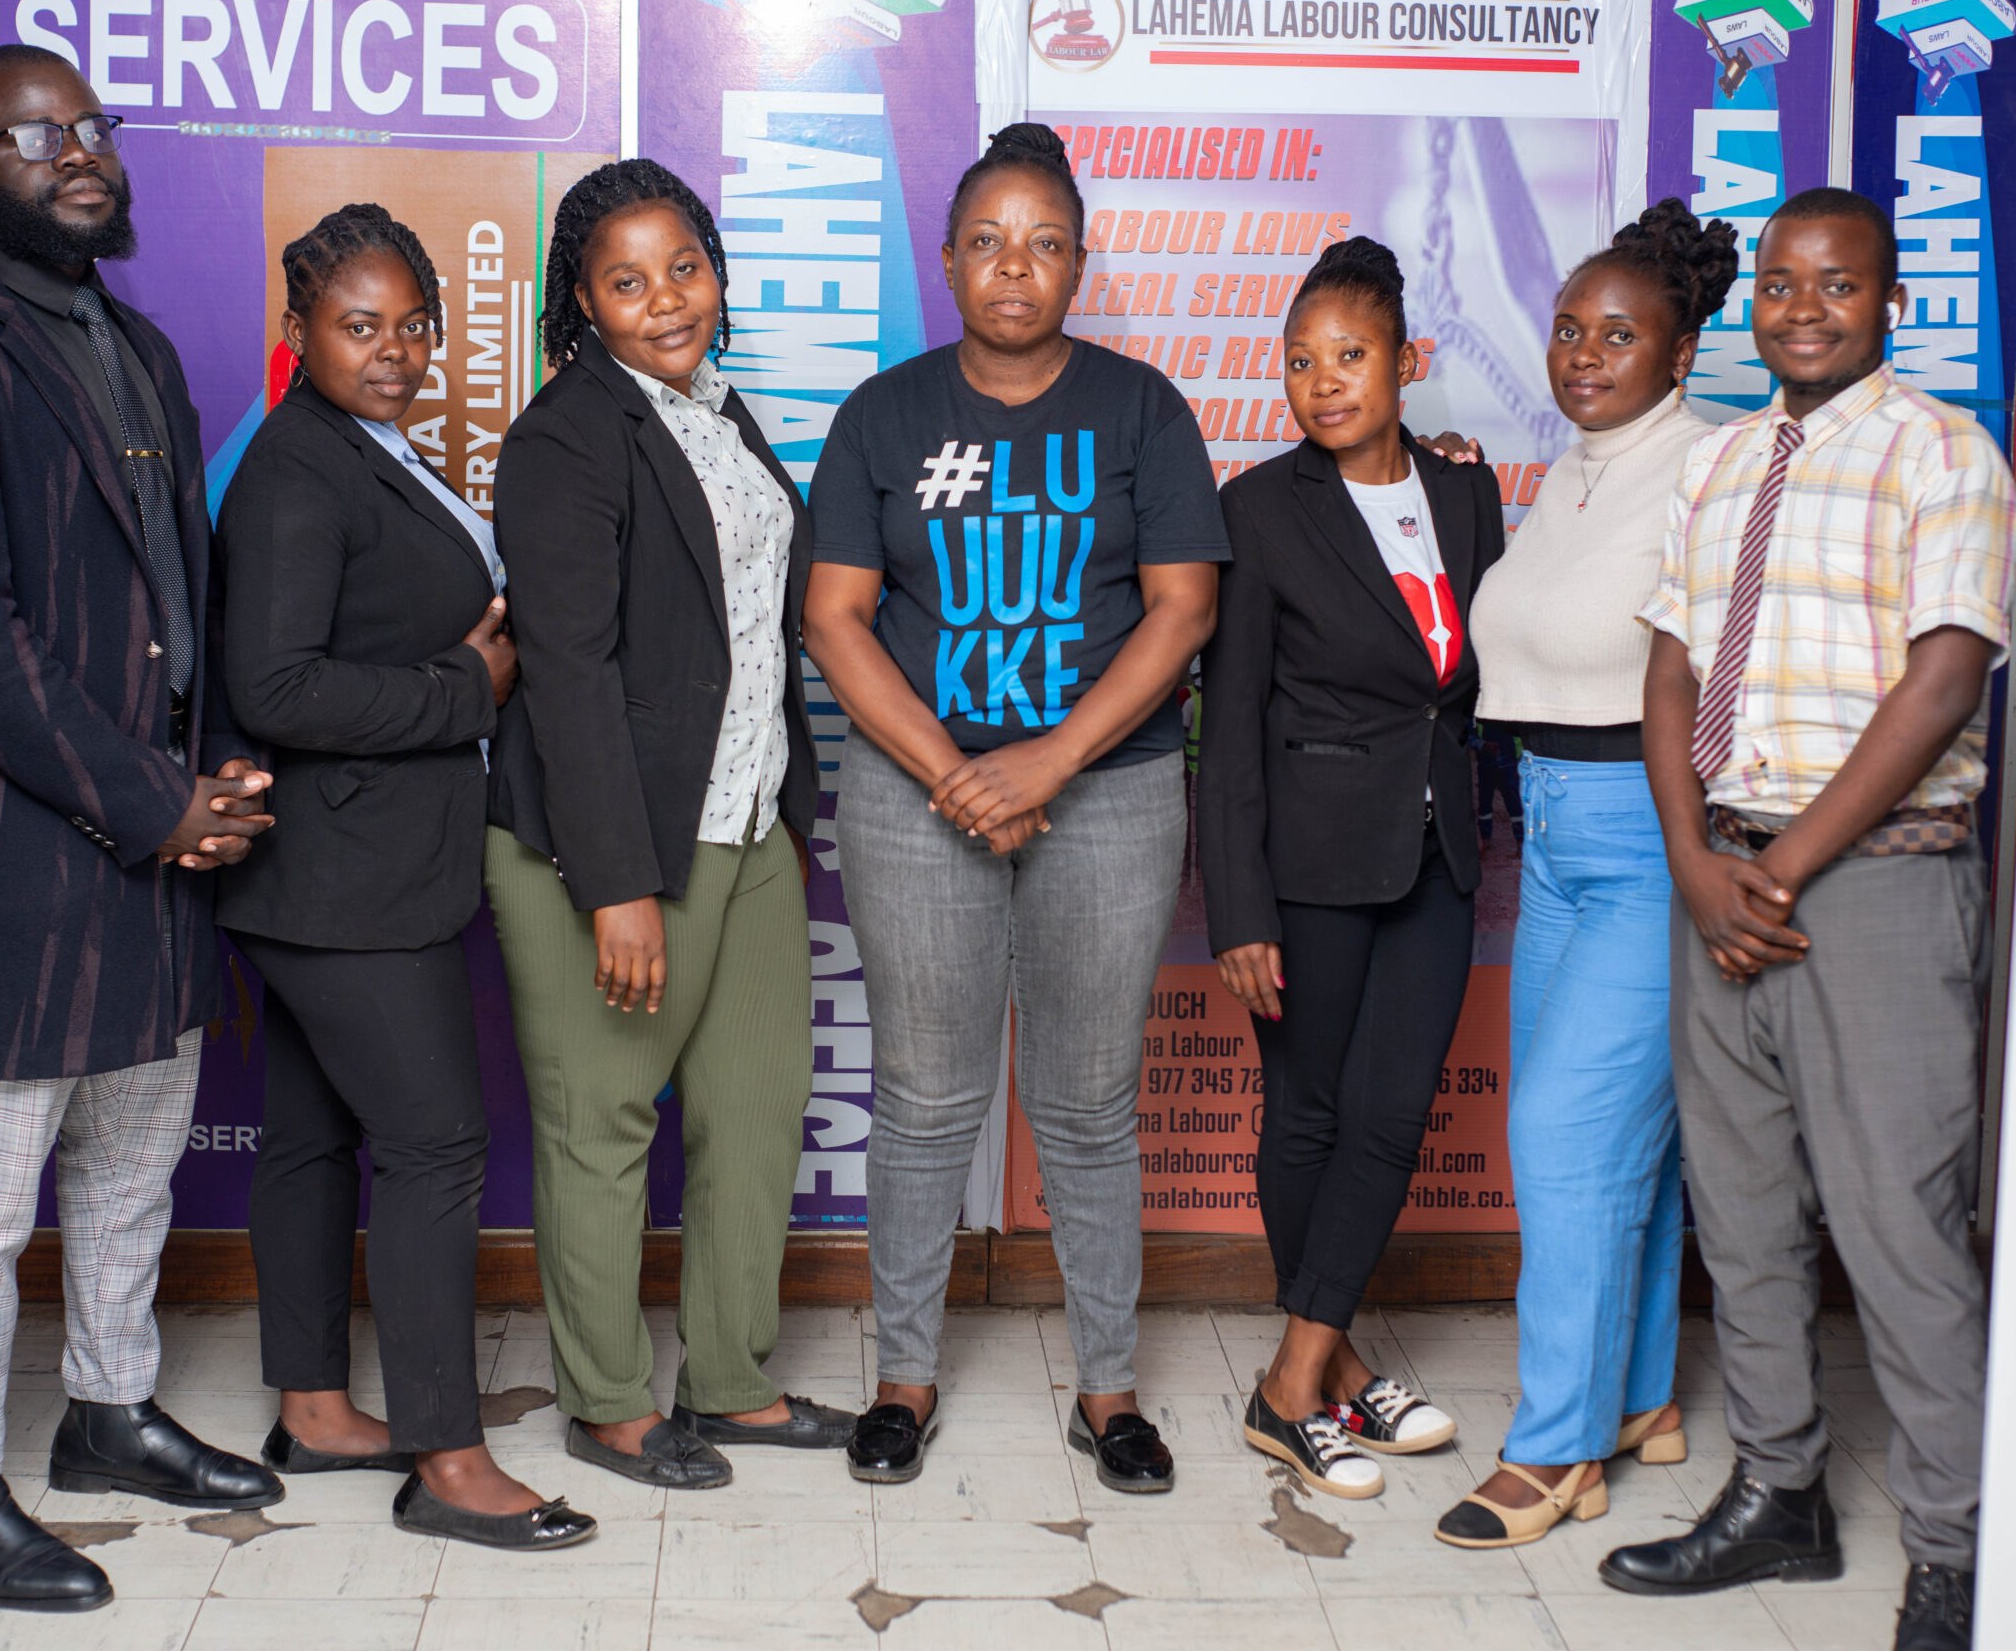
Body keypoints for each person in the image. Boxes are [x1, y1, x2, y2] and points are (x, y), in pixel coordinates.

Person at [0, 44, 284, 1611]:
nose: (76, 151)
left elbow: (189, 593)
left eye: (89, 124)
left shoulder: (138, 347)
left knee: (133, 1159)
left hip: (160, 841)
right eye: (32, 137)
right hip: (21, 851)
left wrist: (216, 776)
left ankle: (107, 1411)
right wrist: (159, 803)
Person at [1608, 187, 2016, 1651]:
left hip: (1872, 886)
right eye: (1779, 283)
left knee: (1900, 1228)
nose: (1801, 308)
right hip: (1719, 872)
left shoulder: (1944, 454)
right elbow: (1670, 675)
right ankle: (1780, 1495)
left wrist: (1778, 868)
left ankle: (1959, 1557)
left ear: (1889, 301)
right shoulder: (1718, 464)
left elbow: (1945, 678)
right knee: (1743, 1212)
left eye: (1836, 285)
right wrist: (1695, 864)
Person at [804, 123, 1225, 1493]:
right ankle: (903, 1378)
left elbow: (1183, 608)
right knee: (926, 1099)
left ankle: (1109, 1390)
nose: (1013, 266)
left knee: (1090, 1104)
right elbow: (835, 616)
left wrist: (1046, 763)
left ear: (1078, 266)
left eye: (1044, 243)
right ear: (946, 260)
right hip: (912, 796)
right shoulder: (883, 414)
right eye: (987, 241)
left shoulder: (1141, 409)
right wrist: (954, 774)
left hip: (1108, 793)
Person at [213, 205, 592, 1551]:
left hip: (339, 868)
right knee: (435, 1146)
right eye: (358, 325)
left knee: (314, 1133)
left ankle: (315, 1409)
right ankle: (447, 1459)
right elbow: (273, 687)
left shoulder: (359, 449)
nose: (393, 350)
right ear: (298, 331)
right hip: (349, 880)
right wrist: (461, 689)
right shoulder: (296, 475)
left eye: (413, 325)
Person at [485, 160, 851, 1491]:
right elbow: (568, 671)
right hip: (612, 843)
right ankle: (606, 1402)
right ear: (581, 303)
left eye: (684, 267)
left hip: (746, 825)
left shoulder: (716, 412)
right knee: (604, 1121)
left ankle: (734, 1381)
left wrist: (778, 808)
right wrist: (615, 883)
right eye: (627, 281)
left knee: (755, 1113)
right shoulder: (565, 437)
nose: (666, 300)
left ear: (716, 268)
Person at [1431, 198, 1739, 1549]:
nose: (1584, 354)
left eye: (1620, 335)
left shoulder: (1714, 465)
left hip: (1651, 837)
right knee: (1627, 1145)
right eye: (1568, 329)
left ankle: (1556, 1448)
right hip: (1550, 836)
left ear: (1681, 352)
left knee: (1565, 1136)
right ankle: (1640, 1398)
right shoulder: (1570, 472)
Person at [1197, 237, 1501, 1498]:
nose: (1321, 381)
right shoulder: (1260, 510)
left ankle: (1303, 1373)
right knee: (1311, 1113)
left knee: (1392, 1114)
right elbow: (1229, 724)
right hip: (1307, 863)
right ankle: (1315, 1377)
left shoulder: (1467, 495)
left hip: (1438, 851)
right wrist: (1238, 906)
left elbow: (1469, 680)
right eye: (1299, 361)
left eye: (1350, 356)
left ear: (1407, 363)